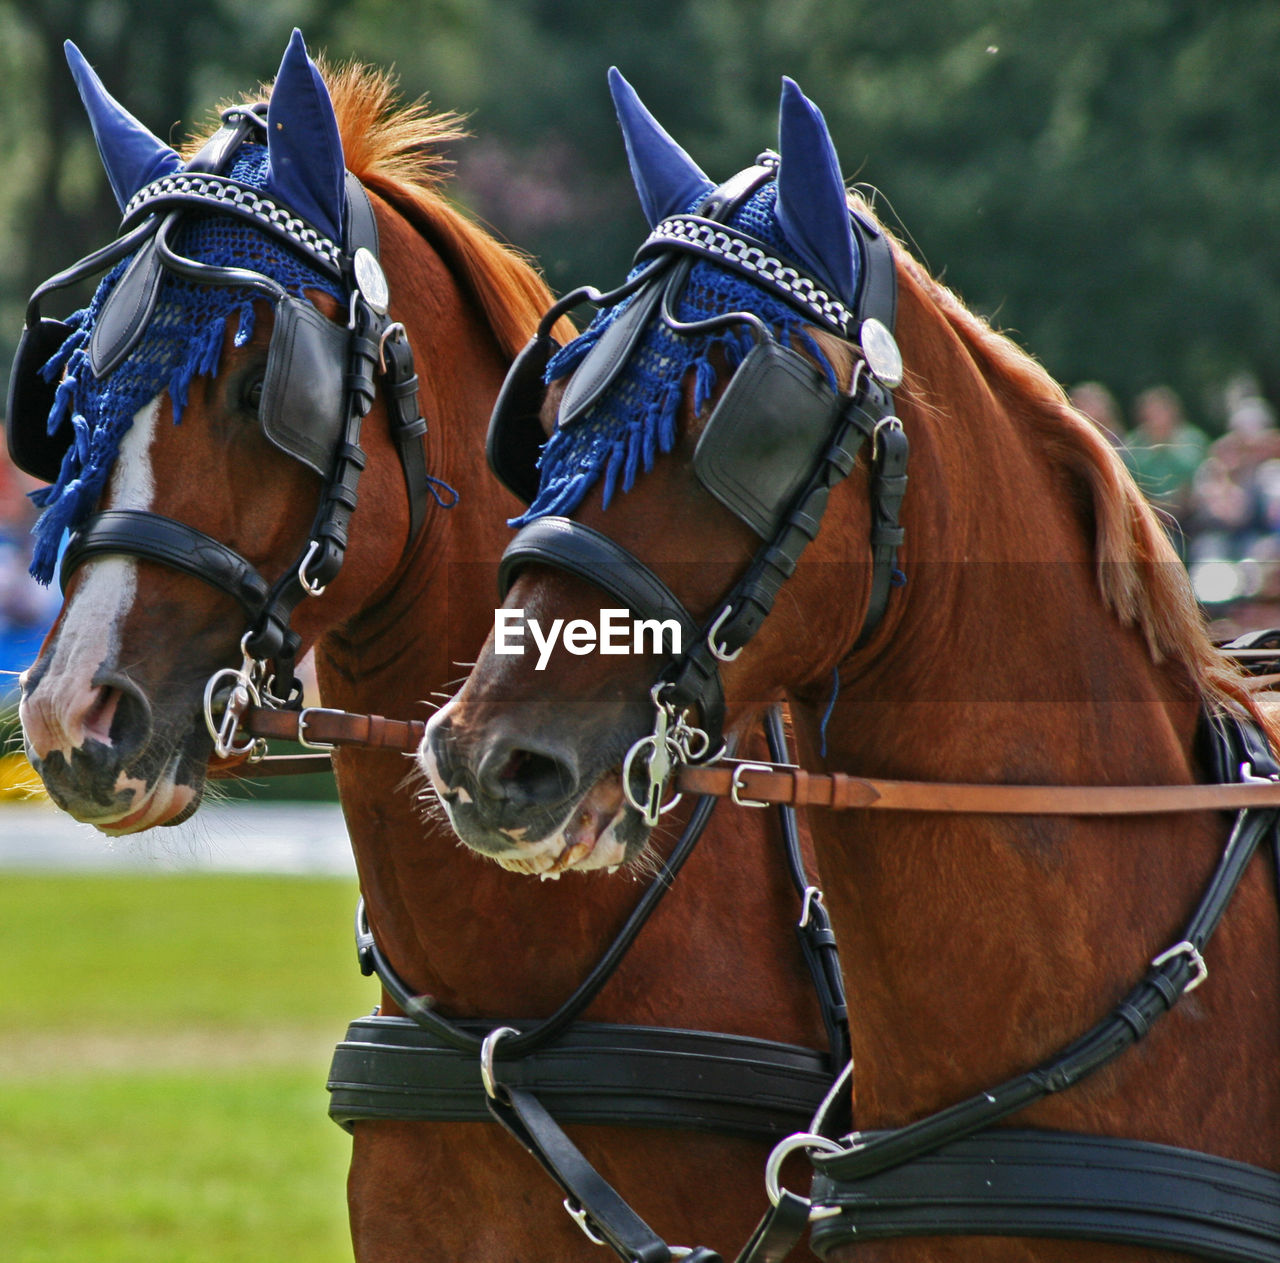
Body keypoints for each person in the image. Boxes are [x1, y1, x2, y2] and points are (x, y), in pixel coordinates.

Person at [1121, 385, 1208, 548]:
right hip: (1146, 516)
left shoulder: (1192, 440)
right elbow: (1131, 484)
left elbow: (1196, 479)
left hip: (1191, 517)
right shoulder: (1132, 445)